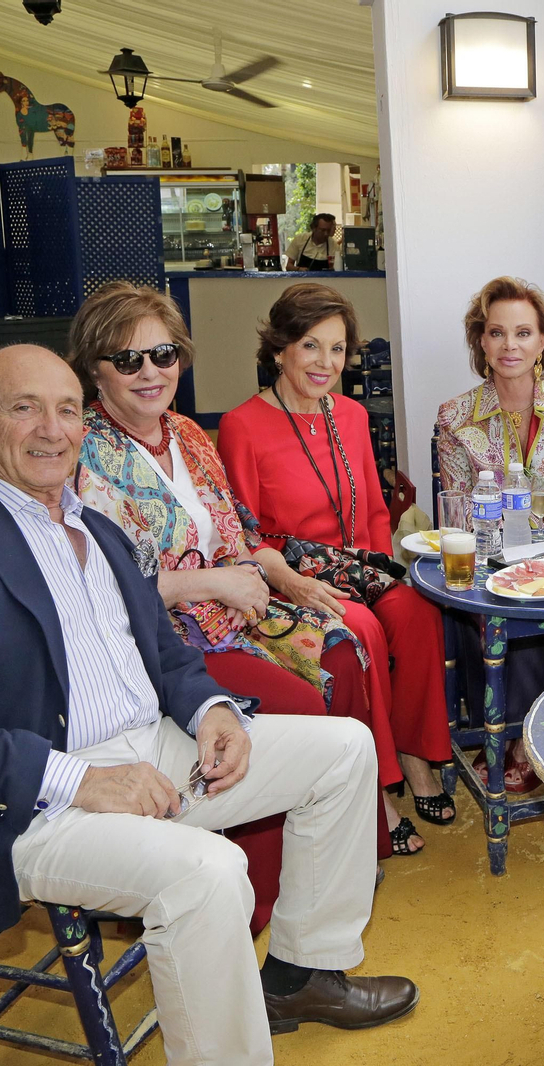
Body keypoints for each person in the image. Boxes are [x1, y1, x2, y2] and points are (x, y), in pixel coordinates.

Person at [0, 345, 418, 1066]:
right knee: (209, 875)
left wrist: (213, 710)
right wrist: (79, 780)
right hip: (31, 804)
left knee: (343, 750)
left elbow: (167, 656)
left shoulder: (102, 531)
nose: (51, 430)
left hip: (148, 749)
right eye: (24, 408)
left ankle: (301, 975)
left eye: (65, 411)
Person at [66, 285, 399, 929]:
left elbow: (242, 527)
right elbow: (104, 589)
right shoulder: (85, 454)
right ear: (95, 369)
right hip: (167, 641)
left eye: (162, 355)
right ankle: (258, 899)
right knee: (299, 705)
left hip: (237, 609)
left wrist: (267, 571)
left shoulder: (188, 433)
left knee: (348, 649)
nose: (150, 372)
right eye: (127, 359)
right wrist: (216, 583)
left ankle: (345, 852)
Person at [216, 283, 456, 853]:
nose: (327, 363)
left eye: (338, 349)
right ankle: (378, 791)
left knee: (417, 611)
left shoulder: (348, 415)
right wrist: (296, 582)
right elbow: (243, 535)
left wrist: (379, 577)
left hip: (356, 567)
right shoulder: (242, 425)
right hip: (290, 579)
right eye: (310, 346)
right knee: (365, 629)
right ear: (279, 350)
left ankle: (418, 759)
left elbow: (373, 508)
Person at [437, 275, 544, 792]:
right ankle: (517, 734)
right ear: (481, 342)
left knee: (537, 595)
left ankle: (529, 733)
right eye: (496, 333)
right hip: (489, 560)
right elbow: (457, 508)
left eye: (523, 333)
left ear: (542, 342)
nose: (509, 346)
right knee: (496, 600)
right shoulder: (455, 417)